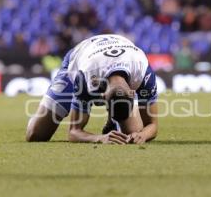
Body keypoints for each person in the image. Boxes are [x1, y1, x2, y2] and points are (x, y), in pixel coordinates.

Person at [26, 34, 158, 144]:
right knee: (35, 135)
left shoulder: (143, 72)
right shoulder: (85, 75)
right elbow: (74, 131)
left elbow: (152, 125)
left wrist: (143, 135)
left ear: (132, 93)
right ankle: (50, 105)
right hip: (81, 56)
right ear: (102, 97)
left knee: (131, 134)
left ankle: (113, 122)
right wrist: (100, 138)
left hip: (117, 52)